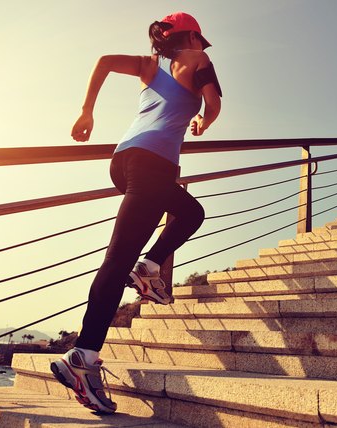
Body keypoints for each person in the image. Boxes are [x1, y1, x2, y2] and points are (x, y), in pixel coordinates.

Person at [50, 12, 221, 414]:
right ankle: (83, 358)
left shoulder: (150, 66)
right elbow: (213, 103)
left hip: (123, 160)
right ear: (192, 36)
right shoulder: (195, 61)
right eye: (200, 40)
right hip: (152, 165)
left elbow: (105, 61)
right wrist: (204, 120)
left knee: (190, 212)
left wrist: (87, 111)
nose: (203, 48)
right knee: (117, 259)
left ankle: (149, 268)